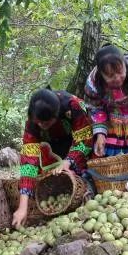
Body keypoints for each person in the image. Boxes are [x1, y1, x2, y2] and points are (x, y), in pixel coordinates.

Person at [12, 89, 94, 227]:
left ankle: (84, 193)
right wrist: (22, 206)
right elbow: (29, 160)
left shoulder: (72, 105)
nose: (41, 126)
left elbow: (84, 139)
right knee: (48, 174)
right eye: (39, 123)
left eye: (46, 123)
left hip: (76, 138)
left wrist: (69, 161)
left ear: (56, 116)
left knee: (79, 171)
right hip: (51, 145)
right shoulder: (34, 120)